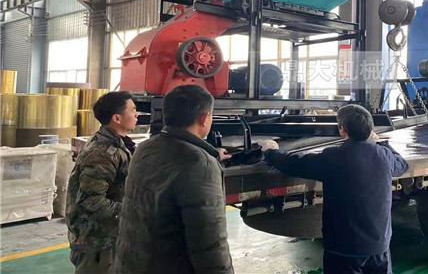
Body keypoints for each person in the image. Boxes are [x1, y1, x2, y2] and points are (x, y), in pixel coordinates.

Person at [259, 104, 409, 274]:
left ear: (342, 130)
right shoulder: (384, 156)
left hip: (343, 250)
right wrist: (381, 143)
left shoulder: (333, 157)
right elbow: (403, 164)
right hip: (379, 248)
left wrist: (271, 152)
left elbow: (294, 164)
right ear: (370, 130)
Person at [115, 85, 234, 274]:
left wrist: (210, 153)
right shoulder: (199, 164)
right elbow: (210, 244)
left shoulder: (145, 148)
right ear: (205, 118)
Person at [66, 91, 138, 274]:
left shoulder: (119, 144)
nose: (137, 114)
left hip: (112, 235)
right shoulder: (102, 152)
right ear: (117, 118)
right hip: (98, 242)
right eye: (133, 110)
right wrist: (133, 212)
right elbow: (92, 201)